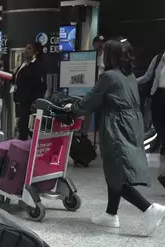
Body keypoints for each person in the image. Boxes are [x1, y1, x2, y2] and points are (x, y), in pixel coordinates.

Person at [66, 38, 165, 235]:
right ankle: (111, 215)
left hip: (116, 125)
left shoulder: (108, 77)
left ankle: (149, 209)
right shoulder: (127, 75)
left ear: (111, 55)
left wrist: (73, 109)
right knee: (116, 170)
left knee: (116, 171)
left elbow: (90, 100)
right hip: (131, 124)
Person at [12, 42, 46, 141]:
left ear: (36, 51)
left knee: (27, 128)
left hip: (29, 103)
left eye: (29, 48)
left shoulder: (38, 65)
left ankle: (28, 151)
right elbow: (18, 78)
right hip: (20, 100)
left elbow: (41, 85)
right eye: (26, 48)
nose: (26, 50)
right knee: (21, 127)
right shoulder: (25, 63)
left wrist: (35, 101)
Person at [137, 48, 165, 155]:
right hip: (158, 94)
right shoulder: (158, 58)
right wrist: (131, 81)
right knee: (157, 121)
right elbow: (147, 76)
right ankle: (163, 143)